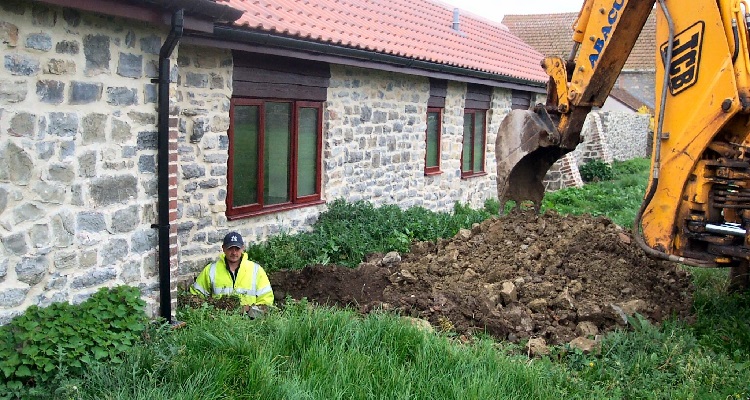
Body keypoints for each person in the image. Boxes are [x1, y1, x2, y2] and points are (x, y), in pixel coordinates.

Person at [190, 231, 274, 315]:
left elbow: (266, 300)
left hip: (250, 322)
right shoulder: (210, 270)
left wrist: (250, 311)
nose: (234, 253)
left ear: (242, 248)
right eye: (230, 248)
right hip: (219, 322)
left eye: (237, 249)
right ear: (223, 248)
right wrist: (209, 312)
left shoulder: (256, 270)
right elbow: (195, 296)